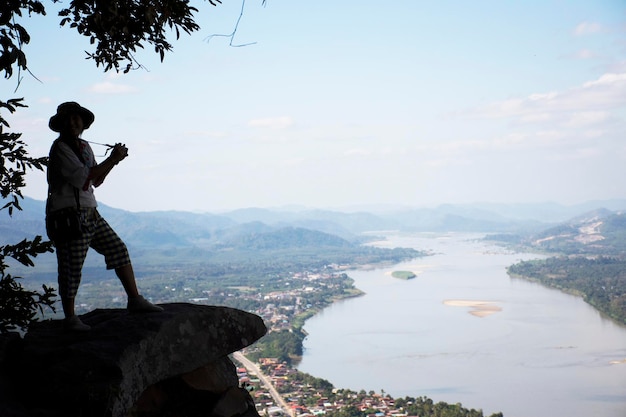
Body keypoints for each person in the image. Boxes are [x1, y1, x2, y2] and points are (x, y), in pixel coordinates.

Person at [46, 101, 163, 332]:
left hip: (89, 210)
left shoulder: (84, 147)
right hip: (69, 214)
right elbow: (83, 178)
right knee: (72, 266)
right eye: (68, 119)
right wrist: (113, 159)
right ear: (60, 124)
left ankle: (135, 299)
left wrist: (113, 161)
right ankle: (70, 318)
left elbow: (95, 180)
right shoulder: (60, 148)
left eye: (76, 118)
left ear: (83, 123)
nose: (73, 122)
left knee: (118, 249)